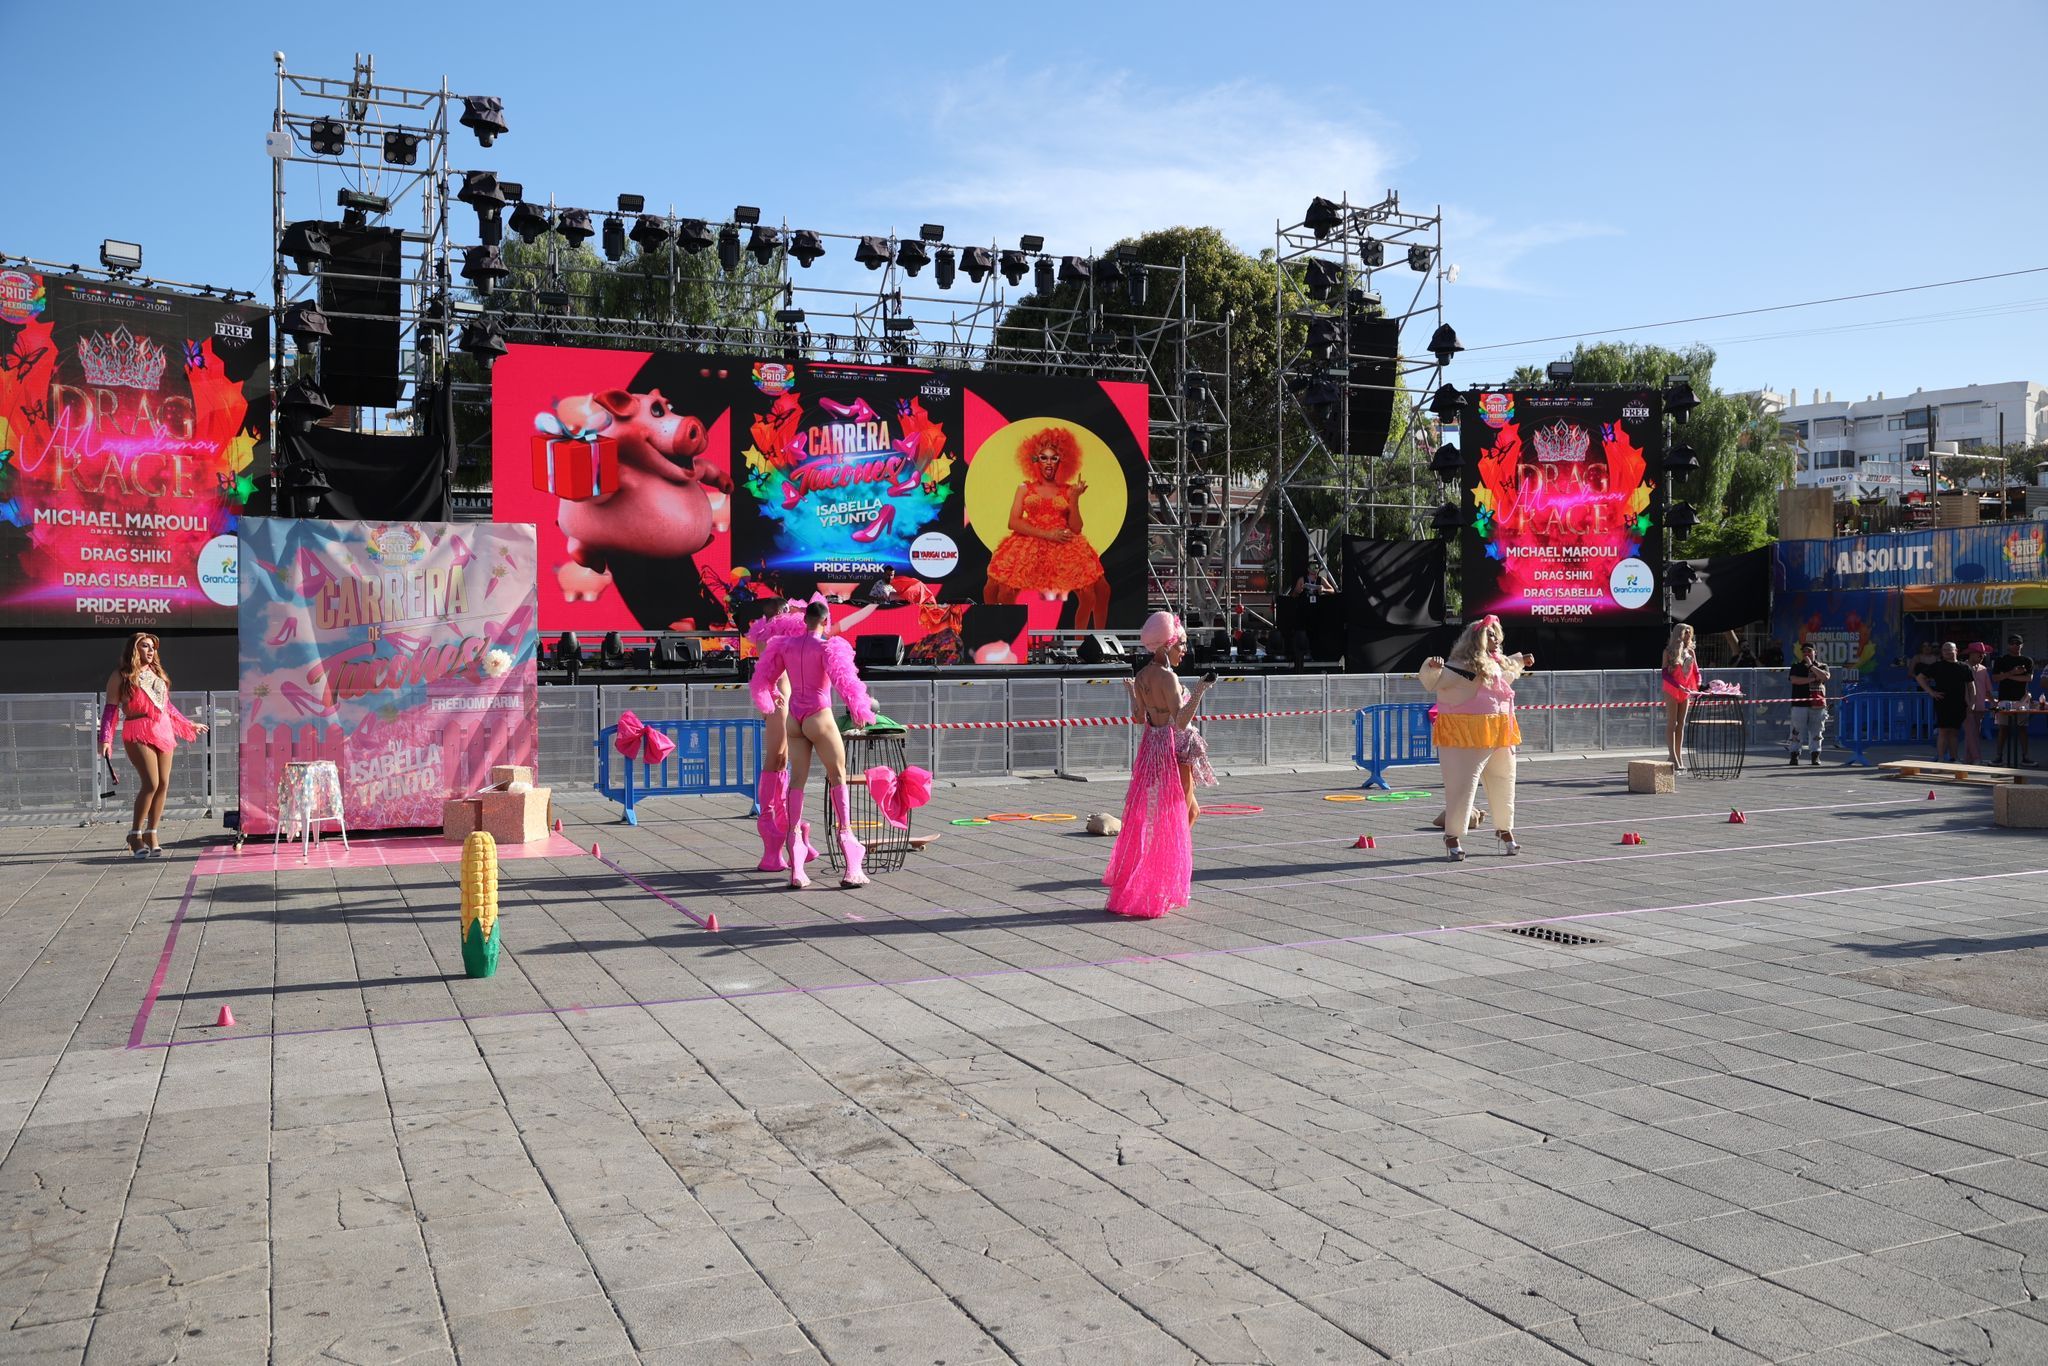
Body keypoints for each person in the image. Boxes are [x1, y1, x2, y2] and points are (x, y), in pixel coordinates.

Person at [750, 601, 880, 889]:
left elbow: (763, 678)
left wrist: (773, 695)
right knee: (838, 777)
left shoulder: (784, 645)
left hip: (794, 719)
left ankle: (797, 868)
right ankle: (851, 862)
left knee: (797, 781)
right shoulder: (828, 647)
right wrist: (860, 711)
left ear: (804, 619)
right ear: (825, 620)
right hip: (819, 716)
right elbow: (846, 684)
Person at [1102, 612, 1217, 919]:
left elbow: (1139, 717)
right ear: (1166, 644)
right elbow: (1180, 721)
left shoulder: (1142, 676)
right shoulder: (1169, 678)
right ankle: (1160, 873)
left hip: (1151, 749)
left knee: (1179, 814)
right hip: (1172, 748)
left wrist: (1131, 692)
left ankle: (1159, 871)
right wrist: (1201, 690)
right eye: (1181, 644)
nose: (1184, 650)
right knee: (1178, 816)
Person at [1421, 616, 1531, 861]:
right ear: (1476, 639)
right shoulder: (1459, 667)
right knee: (1462, 786)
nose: (1495, 638)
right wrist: (1432, 666)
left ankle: (1505, 830)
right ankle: (1452, 836)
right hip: (1465, 735)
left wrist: (1521, 661)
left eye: (1496, 633)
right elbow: (1433, 681)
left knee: (1504, 780)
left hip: (1500, 732)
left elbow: (1507, 672)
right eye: (1489, 634)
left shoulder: (1497, 664)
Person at [982, 428, 1110, 631]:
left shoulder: (1068, 490)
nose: (1049, 463)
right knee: (997, 589)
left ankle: (1088, 642)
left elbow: (1076, 528)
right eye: (1044, 457)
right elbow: (1013, 522)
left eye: (1054, 458)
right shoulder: (1024, 488)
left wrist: (1075, 498)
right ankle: (999, 634)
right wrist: (1048, 534)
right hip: (1030, 543)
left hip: (1063, 544)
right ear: (1036, 460)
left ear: (1061, 461)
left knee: (1096, 591)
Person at [98, 633, 209, 859]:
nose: (150, 651)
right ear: (134, 649)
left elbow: (166, 707)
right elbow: (110, 709)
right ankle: (135, 834)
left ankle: (151, 833)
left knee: (163, 784)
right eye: (145, 646)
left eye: (153, 647)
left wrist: (188, 724)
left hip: (163, 729)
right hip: (137, 729)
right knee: (151, 783)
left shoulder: (157, 674)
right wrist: (105, 738)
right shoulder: (121, 676)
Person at [1918, 641, 1975, 763]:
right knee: (1943, 731)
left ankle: (1954, 758)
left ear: (1956, 651)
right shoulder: (1937, 666)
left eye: (1950, 649)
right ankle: (1941, 759)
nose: (1947, 652)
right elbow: (1920, 677)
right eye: (1944, 650)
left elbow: (1971, 686)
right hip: (1942, 702)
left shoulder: (1964, 667)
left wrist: (1972, 703)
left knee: (1954, 732)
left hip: (1959, 703)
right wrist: (1931, 692)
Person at [1990, 633, 2036, 765]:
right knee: (2003, 728)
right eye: (2012, 643)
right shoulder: (2001, 660)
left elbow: (2028, 678)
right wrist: (2013, 673)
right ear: (2008, 645)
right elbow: (1995, 678)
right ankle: (1998, 757)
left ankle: (2025, 757)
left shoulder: (2027, 660)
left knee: (2022, 729)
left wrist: (2007, 676)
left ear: (2022, 645)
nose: (2015, 645)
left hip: (2022, 700)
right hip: (2004, 699)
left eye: (2018, 643)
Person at [1661, 623, 1701, 768]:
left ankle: (1678, 757)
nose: (1688, 635)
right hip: (1672, 688)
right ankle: (1672, 756)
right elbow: (1664, 673)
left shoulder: (1690, 652)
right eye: (1686, 632)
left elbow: (1696, 671)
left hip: (1686, 690)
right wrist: (1678, 685)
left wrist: (1699, 685)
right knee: (1673, 722)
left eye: (1690, 632)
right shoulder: (1668, 651)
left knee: (1681, 723)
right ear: (1679, 634)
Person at [1786, 642, 1831, 765]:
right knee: (1796, 730)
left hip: (1817, 704)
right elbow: (1794, 680)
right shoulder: (1796, 666)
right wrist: (1812, 679)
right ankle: (1794, 754)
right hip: (1799, 704)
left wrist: (1811, 666)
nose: (1806, 653)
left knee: (1817, 730)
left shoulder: (1822, 666)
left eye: (1809, 651)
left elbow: (1825, 677)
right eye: (1804, 651)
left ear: (1815, 652)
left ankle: (1815, 755)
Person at [1286, 566, 1333, 672]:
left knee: (1315, 634)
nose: (1314, 573)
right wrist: (1298, 591)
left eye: (1315, 571)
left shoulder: (1321, 579)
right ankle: (1302, 656)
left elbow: (1332, 590)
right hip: (1304, 612)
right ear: (1308, 571)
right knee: (1302, 635)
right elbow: (1293, 595)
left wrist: (1324, 589)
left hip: (1316, 612)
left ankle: (1315, 655)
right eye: (1312, 571)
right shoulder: (1302, 579)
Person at [1964, 642, 1993, 764]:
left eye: (1983, 654)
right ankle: (1977, 758)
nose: (1982, 656)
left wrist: (1993, 702)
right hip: (1966, 705)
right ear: (1971, 654)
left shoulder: (1983, 669)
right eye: (1979, 654)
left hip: (1980, 706)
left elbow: (1987, 689)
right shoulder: (1962, 667)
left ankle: (1968, 759)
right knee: (1971, 733)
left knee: (1974, 734)